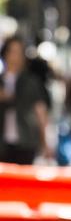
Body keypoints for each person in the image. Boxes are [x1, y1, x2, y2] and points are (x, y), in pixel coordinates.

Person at [0, 35, 51, 165]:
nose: (15, 57)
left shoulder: (31, 82)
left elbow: (40, 110)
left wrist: (45, 141)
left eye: (19, 53)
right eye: (12, 52)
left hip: (26, 141)